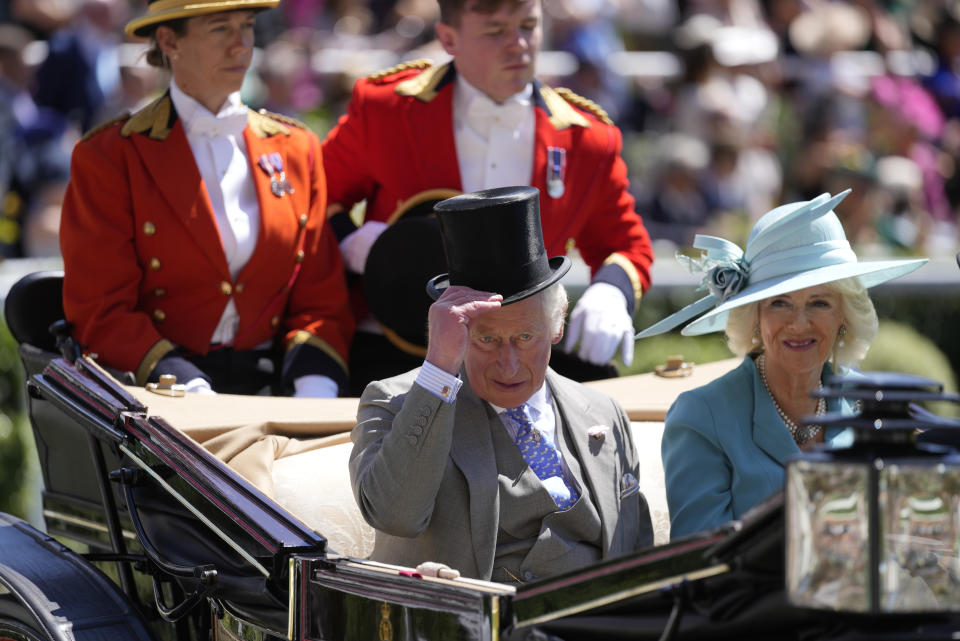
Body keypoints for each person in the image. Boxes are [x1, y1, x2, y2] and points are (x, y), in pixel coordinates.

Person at [321, 0, 654, 393]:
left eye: (528, 25)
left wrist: (611, 292)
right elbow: (319, 196)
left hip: (519, 362)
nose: (518, 44)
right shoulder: (388, 109)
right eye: (495, 31)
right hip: (399, 349)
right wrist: (353, 241)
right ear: (448, 38)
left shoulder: (587, 138)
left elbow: (625, 245)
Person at [349, 186, 653, 582]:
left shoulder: (603, 412)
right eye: (487, 339)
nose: (508, 364)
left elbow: (638, 556)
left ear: (556, 327)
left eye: (525, 338)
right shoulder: (394, 401)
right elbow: (395, 515)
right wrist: (440, 366)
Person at [59, 0, 354, 397]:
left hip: (280, 388)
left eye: (247, 26)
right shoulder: (111, 157)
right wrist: (185, 384)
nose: (241, 45)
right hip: (161, 395)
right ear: (168, 40)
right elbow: (102, 309)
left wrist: (314, 387)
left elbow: (320, 297)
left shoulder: (295, 148)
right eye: (220, 29)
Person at [635, 190, 927, 539]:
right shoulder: (701, 417)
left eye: (819, 303)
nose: (799, 323)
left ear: (844, 317)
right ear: (755, 316)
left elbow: (912, 539)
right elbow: (701, 567)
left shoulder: (874, 409)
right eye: (779, 303)